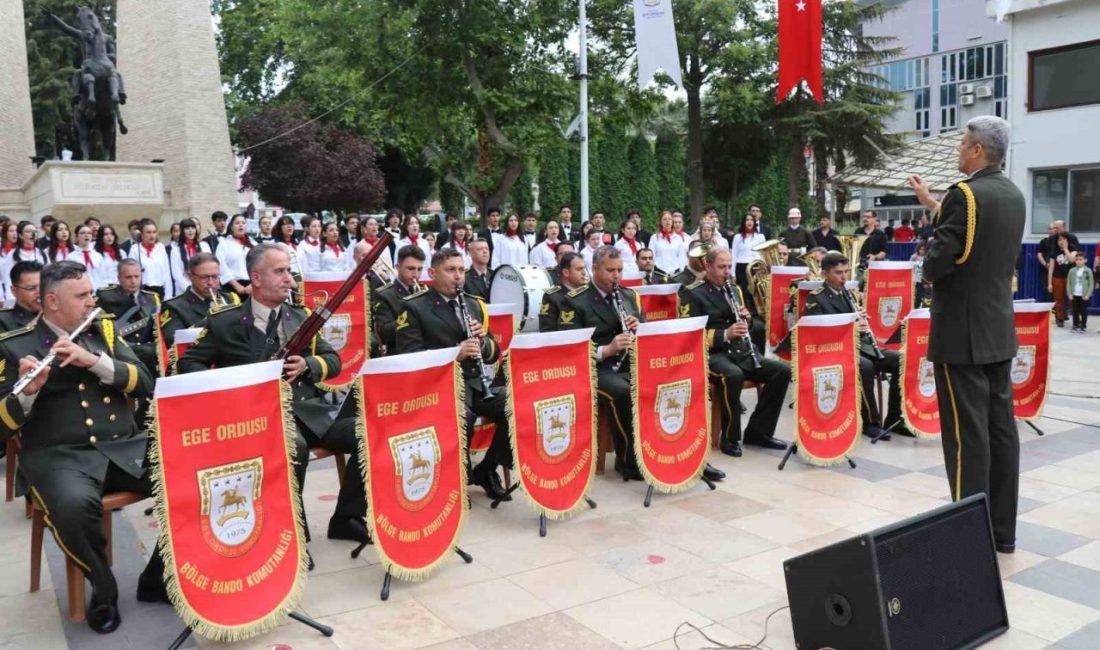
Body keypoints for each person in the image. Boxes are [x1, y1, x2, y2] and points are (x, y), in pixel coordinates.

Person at [0, 261, 162, 633]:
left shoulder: (103, 333)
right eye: (84, 295)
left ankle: (157, 577)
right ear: (52, 301)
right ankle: (103, 589)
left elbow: (145, 382)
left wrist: (98, 363)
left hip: (124, 447)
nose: (93, 301)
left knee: (194, 477)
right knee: (73, 507)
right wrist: (26, 393)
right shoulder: (15, 346)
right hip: (59, 457)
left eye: (91, 292)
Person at [179, 244, 370, 547]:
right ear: (255, 277)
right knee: (294, 447)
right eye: (279, 272)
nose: (290, 281)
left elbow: (333, 360)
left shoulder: (301, 316)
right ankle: (291, 533)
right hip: (259, 417)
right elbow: (188, 363)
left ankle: (347, 518)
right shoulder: (224, 321)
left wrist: (308, 364)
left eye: (289, 272)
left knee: (368, 433)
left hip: (309, 413)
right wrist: (232, 386)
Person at [908, 115, 1025, 554]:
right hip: (997, 330)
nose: (958, 149)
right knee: (1000, 433)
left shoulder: (965, 195)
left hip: (962, 335)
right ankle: (1000, 533)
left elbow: (942, 260)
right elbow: (977, 237)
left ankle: (966, 536)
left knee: (966, 438)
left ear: (977, 150)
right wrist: (932, 204)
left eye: (962, 143)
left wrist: (930, 245)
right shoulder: (1012, 194)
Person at [395, 248, 512, 499]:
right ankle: (454, 482)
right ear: (432, 273)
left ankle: (487, 467)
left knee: (518, 406)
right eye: (451, 270)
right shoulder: (415, 308)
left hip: (475, 385)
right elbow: (409, 356)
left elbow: (493, 351)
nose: (458, 276)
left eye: (461, 270)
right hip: (437, 387)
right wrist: (453, 353)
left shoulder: (473, 304)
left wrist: (481, 343)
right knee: (463, 417)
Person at [679, 248, 790, 457]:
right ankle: (730, 437)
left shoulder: (735, 290)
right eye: (721, 267)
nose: (727, 272)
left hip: (740, 351)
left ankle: (759, 431)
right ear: (708, 266)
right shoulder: (692, 293)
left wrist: (746, 320)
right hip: (712, 354)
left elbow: (742, 324)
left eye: (729, 266)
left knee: (781, 372)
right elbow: (689, 335)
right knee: (733, 375)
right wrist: (725, 334)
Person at [804, 252, 910, 440]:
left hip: (861, 345)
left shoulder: (849, 293)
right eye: (838, 273)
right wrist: (853, 327)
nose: (844, 277)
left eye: (846, 272)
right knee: (865, 367)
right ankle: (870, 422)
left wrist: (861, 320)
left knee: (902, 360)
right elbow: (817, 334)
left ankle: (895, 418)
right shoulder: (815, 298)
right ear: (825, 273)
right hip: (834, 350)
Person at [96, 259, 161, 376]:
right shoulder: (106, 296)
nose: (133, 281)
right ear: (119, 278)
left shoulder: (151, 298)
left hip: (147, 348)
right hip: (121, 348)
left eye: (137, 276)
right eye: (128, 277)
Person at [159, 252, 240, 346]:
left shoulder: (230, 299)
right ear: (190, 276)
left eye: (215, 277)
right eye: (204, 277)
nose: (211, 282)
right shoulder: (173, 306)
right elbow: (173, 340)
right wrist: (213, 318)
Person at [373, 245, 427, 354]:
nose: (416, 274)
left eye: (419, 269)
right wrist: (412, 318)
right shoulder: (384, 295)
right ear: (397, 267)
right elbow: (384, 334)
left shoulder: (425, 291)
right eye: (411, 268)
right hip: (400, 353)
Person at [539, 252, 586, 332]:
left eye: (584, 268)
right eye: (579, 269)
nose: (584, 273)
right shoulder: (552, 297)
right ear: (566, 273)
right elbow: (547, 331)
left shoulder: (588, 292)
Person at [124, 219, 170, 297]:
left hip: (159, 290)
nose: (152, 235)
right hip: (143, 291)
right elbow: (131, 271)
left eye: (154, 232)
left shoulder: (161, 248)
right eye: (148, 232)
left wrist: (168, 295)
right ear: (141, 234)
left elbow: (167, 273)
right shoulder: (135, 249)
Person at [168, 218, 212, 298]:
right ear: (182, 231)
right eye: (187, 228)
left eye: (193, 228)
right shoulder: (175, 250)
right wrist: (191, 289)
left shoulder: (204, 246)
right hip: (184, 291)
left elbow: (210, 267)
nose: (191, 231)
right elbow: (177, 275)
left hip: (204, 288)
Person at [217, 214, 257, 296]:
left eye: (243, 223)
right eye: (237, 223)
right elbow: (221, 266)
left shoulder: (253, 244)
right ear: (231, 227)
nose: (241, 225)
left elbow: (261, 264)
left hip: (252, 286)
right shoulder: (224, 244)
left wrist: (253, 284)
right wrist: (236, 285)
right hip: (231, 286)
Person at [1047, 232, 1078, 328]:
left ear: (1068, 240)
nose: (1061, 242)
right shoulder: (1054, 253)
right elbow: (1051, 268)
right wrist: (1049, 283)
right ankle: (1060, 318)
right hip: (1057, 277)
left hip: (1070, 278)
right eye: (1059, 240)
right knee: (1059, 299)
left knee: (1073, 299)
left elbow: (1072, 260)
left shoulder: (1073, 250)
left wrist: (1065, 249)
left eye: (1064, 240)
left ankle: (1077, 320)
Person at [0, 261, 43, 330]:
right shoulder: (3, 320)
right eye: (31, 288)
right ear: (14, 291)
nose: (40, 293)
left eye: (43, 286)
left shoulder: (55, 313)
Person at [731, 214, 766, 297]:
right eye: (747, 220)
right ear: (744, 222)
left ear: (754, 222)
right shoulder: (737, 237)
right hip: (741, 267)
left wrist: (763, 269)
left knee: (757, 293)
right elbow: (734, 255)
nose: (749, 222)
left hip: (756, 268)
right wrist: (733, 274)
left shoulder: (760, 237)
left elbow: (763, 254)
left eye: (751, 220)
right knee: (743, 292)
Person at [649, 210, 688, 275]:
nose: (667, 221)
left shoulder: (678, 238)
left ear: (672, 222)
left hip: (675, 272)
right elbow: (651, 256)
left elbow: (682, 258)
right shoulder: (654, 238)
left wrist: (681, 273)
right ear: (661, 222)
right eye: (664, 219)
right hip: (659, 272)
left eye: (669, 219)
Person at [395, 214, 432, 280]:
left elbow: (428, 263)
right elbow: (396, 263)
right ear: (406, 227)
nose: (414, 225)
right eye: (411, 223)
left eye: (416, 223)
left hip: (423, 277)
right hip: (407, 277)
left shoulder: (424, 243)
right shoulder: (401, 243)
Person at [1068, 252, 1093, 333]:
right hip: (1075, 294)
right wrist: (1070, 294)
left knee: (1083, 311)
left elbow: (1091, 284)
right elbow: (1068, 283)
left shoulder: (1088, 271)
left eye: (1080, 259)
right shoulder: (1072, 271)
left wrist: (1088, 294)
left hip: (1084, 295)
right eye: (1077, 259)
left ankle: (1083, 325)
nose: (1078, 261)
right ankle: (1075, 325)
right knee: (1075, 310)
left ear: (1085, 260)